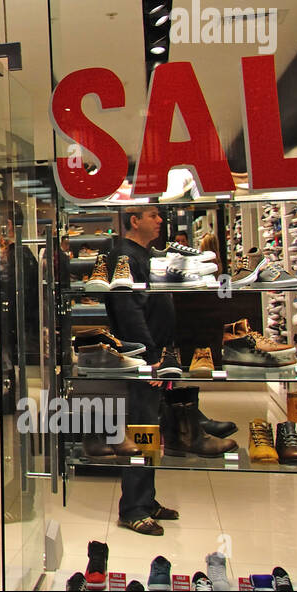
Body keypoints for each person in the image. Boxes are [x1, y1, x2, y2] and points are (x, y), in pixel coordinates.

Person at [103, 205, 179, 535]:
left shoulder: (141, 254)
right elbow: (128, 311)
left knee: (149, 428)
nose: (160, 220)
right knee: (141, 428)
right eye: (153, 215)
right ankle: (133, 508)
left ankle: (145, 500)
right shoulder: (124, 255)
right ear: (134, 221)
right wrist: (147, 357)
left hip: (153, 355)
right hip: (142, 359)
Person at [0, 202, 39, 416]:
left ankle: (3, 402)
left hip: (8, 317)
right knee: (5, 360)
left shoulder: (15, 254)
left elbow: (8, 288)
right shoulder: (20, 253)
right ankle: (1, 400)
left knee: (4, 360)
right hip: (11, 316)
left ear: (10, 224)